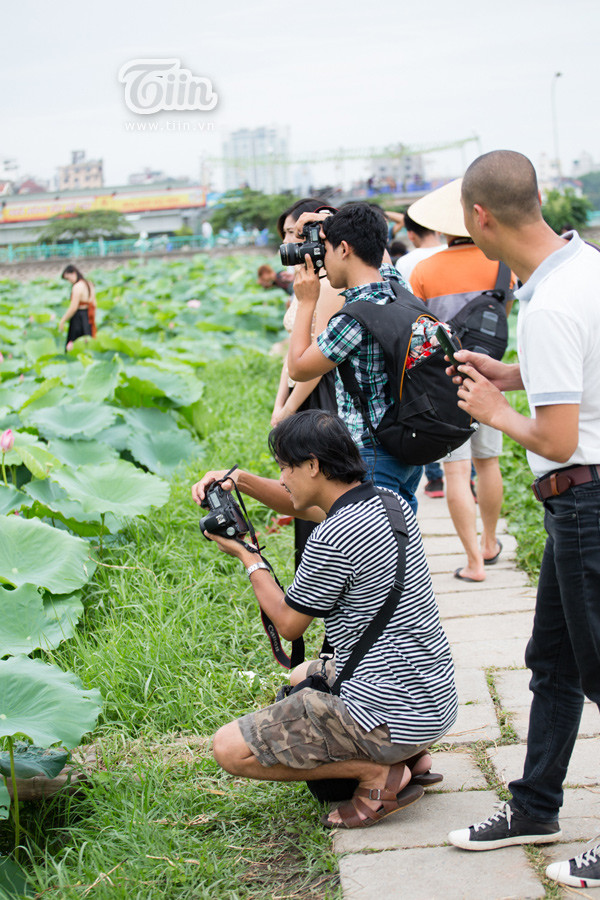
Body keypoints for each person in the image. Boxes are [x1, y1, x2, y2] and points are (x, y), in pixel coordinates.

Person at [446, 150, 600, 890]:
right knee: (554, 664)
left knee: (593, 671)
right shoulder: (585, 269)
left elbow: (560, 438)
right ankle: (534, 807)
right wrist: (518, 376)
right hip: (580, 500)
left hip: (585, 501)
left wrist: (495, 411)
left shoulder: (550, 304)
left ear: (482, 218)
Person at [191, 410, 458, 829]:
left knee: (228, 749)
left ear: (313, 465)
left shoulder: (333, 536)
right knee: (302, 675)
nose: (283, 479)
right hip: (432, 701)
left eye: (285, 468)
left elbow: (289, 624)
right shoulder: (388, 504)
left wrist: (248, 557)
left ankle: (376, 772)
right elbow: (300, 502)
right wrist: (238, 480)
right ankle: (412, 756)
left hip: (389, 713)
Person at [287, 202, 423, 513]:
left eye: (328, 249)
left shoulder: (353, 319)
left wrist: (307, 301)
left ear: (344, 249)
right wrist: (333, 222)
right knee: (402, 537)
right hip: (407, 445)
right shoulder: (395, 284)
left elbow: (298, 368)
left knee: (380, 549)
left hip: (374, 451)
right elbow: (374, 247)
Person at [409, 180, 511, 580]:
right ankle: (489, 542)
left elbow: (417, 327)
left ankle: (472, 561)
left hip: (446, 383)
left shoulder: (423, 270)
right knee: (489, 464)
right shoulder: (502, 264)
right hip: (493, 377)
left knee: (456, 472)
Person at [59, 264, 96, 347]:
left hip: (78, 318)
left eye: (68, 278)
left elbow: (73, 307)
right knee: (87, 343)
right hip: (88, 316)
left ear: (73, 273)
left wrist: (63, 320)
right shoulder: (89, 284)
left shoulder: (77, 286)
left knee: (75, 344)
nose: (69, 281)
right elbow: (94, 303)